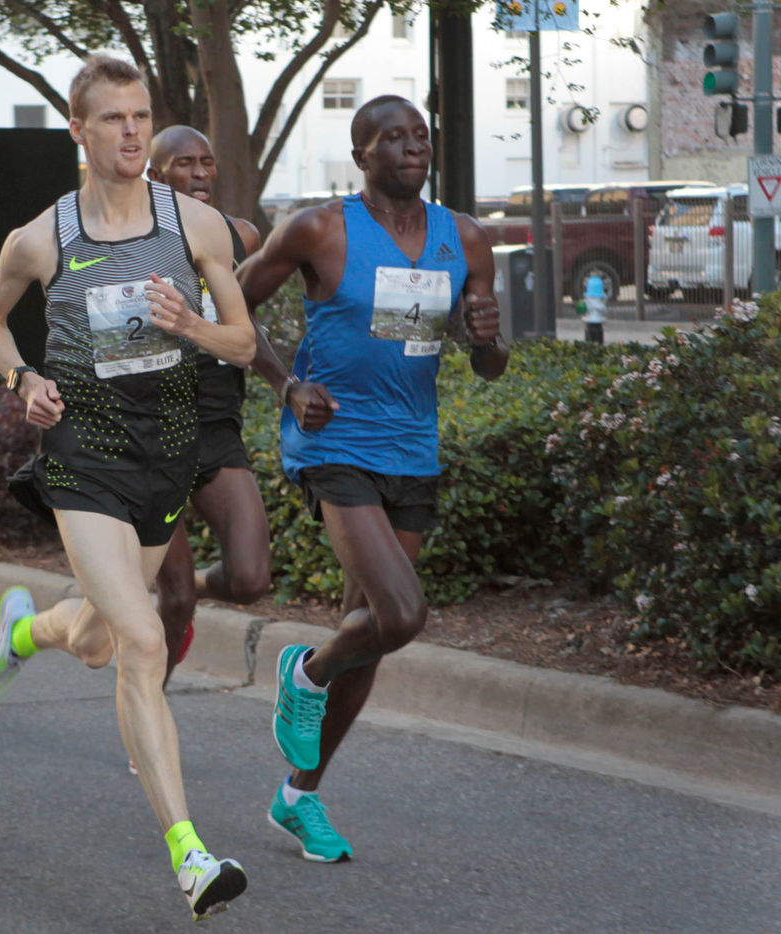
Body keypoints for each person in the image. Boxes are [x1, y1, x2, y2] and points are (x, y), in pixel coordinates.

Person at [0, 56, 256, 921]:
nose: (132, 132)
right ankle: (190, 855)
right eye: (114, 120)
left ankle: (26, 632)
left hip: (163, 458)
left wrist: (191, 323)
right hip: (83, 457)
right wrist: (22, 379)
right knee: (140, 641)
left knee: (95, 638)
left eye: (140, 117)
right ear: (79, 132)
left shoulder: (196, 225)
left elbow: (242, 343)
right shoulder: (42, 239)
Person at [237, 94, 507, 863]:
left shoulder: (467, 240)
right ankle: (305, 669)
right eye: (393, 137)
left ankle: (298, 796)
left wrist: (485, 342)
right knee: (402, 612)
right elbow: (230, 306)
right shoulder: (319, 229)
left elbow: (490, 366)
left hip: (412, 451)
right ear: (362, 155)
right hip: (336, 443)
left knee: (374, 635)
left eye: (421, 134)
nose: (413, 146)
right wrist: (287, 385)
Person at [145, 125, 270, 688]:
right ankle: (151, 706)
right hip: (148, 432)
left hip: (216, 424)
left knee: (249, 579)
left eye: (207, 162)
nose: (199, 174)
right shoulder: (131, 244)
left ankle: (178, 592)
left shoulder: (240, 236)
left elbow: (249, 329)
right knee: (172, 600)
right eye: (183, 164)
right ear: (154, 174)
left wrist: (287, 384)